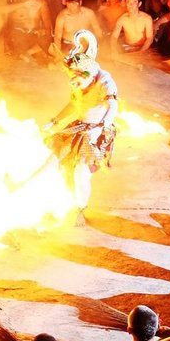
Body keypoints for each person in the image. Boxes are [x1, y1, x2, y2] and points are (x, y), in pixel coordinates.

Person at [46, 30, 118, 225]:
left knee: (81, 171)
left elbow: (113, 106)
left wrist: (104, 126)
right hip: (78, 127)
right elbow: (73, 105)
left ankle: (80, 209)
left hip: (96, 132)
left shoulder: (104, 81)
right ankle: (58, 202)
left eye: (75, 77)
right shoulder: (78, 81)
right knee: (55, 162)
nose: (72, 82)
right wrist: (54, 121)